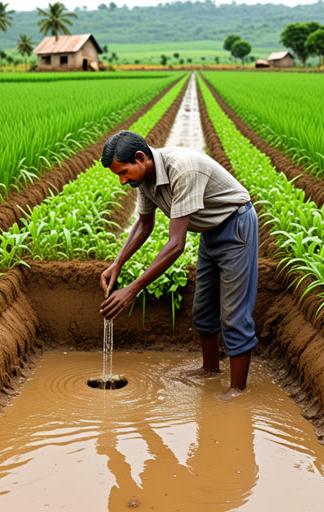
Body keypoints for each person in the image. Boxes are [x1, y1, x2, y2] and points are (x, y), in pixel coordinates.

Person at [99, 130, 258, 396]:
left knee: (233, 312)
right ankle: (210, 370)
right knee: (204, 308)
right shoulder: (145, 180)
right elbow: (144, 224)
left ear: (140, 158)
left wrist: (133, 289)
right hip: (209, 231)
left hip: (235, 226)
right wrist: (117, 264)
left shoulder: (183, 170)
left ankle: (237, 390)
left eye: (124, 172)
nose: (122, 180)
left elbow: (175, 245)